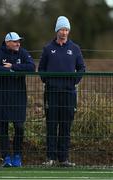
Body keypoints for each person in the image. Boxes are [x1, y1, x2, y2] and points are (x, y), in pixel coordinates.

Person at [38, 16, 85, 167]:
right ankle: (50, 158)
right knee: (51, 125)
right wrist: (49, 81)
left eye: (66, 30)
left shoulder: (75, 48)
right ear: (57, 30)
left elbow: (82, 68)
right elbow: (41, 69)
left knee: (65, 125)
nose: (64, 32)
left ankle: (63, 159)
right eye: (61, 29)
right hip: (51, 93)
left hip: (69, 93)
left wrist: (73, 81)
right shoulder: (47, 48)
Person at [0, 32, 35, 167]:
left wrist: (13, 67)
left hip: (18, 97)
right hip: (1, 97)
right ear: (7, 42)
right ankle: (6, 157)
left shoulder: (23, 53)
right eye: (15, 41)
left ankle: (17, 156)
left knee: (19, 127)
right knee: (3, 128)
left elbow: (31, 67)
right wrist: (7, 71)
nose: (18, 44)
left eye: (19, 41)